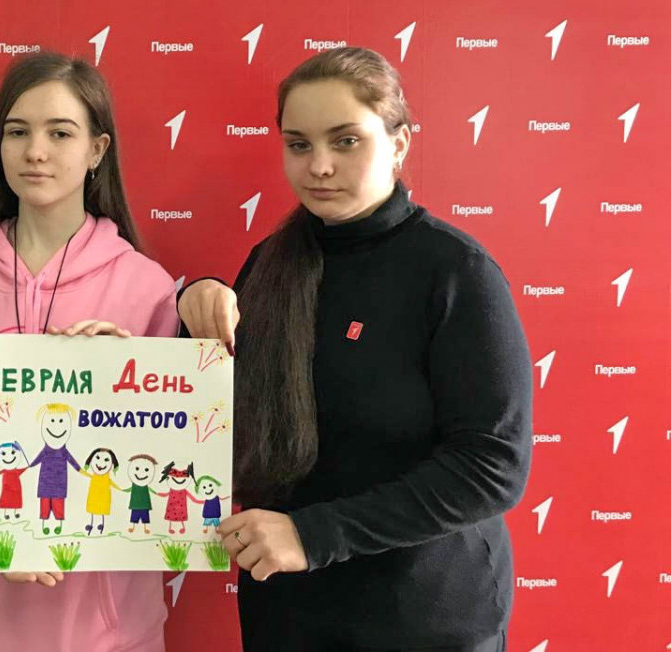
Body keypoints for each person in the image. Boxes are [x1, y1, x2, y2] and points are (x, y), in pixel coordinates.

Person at [178, 47, 532, 652]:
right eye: (299, 144)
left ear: (398, 143)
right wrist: (168, 330)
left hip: (425, 617)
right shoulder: (271, 262)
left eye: (346, 141)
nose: (319, 166)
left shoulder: (455, 272)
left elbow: (492, 465)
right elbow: (221, 411)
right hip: (286, 611)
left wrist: (314, 535)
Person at [0, 52, 179, 652]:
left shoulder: (146, 286)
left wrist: (128, 386)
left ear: (97, 149)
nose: (35, 151)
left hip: (107, 632)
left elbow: (170, 455)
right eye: (17, 132)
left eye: (60, 133)